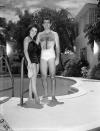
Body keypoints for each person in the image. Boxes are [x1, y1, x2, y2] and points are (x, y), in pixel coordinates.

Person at [36, 18, 60, 103]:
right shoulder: (39, 34)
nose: (46, 24)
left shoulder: (55, 34)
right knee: (43, 77)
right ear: (42, 24)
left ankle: (53, 95)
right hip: (43, 56)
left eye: (48, 23)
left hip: (51, 56)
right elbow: (35, 45)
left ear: (50, 24)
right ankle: (46, 94)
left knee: (53, 76)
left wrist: (57, 58)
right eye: (45, 23)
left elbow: (57, 47)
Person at [24, 24, 40, 104]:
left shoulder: (33, 40)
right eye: (32, 30)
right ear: (29, 30)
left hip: (36, 61)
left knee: (32, 80)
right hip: (31, 61)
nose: (34, 32)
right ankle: (36, 97)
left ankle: (30, 97)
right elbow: (25, 51)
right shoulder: (27, 39)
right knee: (33, 81)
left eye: (35, 31)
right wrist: (29, 62)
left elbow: (36, 52)